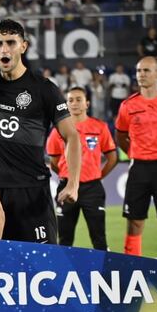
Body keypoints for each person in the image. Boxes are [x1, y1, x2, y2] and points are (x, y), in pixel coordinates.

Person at [0, 19, 81, 244]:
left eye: (11, 42)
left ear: (24, 46)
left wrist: (73, 183)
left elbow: (71, 136)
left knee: (42, 262)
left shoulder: (44, 89)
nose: (4, 49)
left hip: (32, 190)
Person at [115, 56, 157, 260]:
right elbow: (120, 135)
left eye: (146, 70)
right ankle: (132, 272)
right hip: (138, 168)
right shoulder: (128, 106)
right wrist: (134, 150)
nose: (141, 74)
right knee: (134, 223)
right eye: (139, 71)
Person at [47, 87, 117, 251]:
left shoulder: (100, 127)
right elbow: (54, 163)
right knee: (64, 239)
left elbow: (112, 158)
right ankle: (64, 274)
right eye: (70, 100)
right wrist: (69, 177)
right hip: (66, 187)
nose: (74, 103)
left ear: (87, 104)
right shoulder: (58, 129)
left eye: (78, 99)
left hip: (92, 189)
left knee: (99, 238)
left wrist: (97, 176)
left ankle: (103, 274)